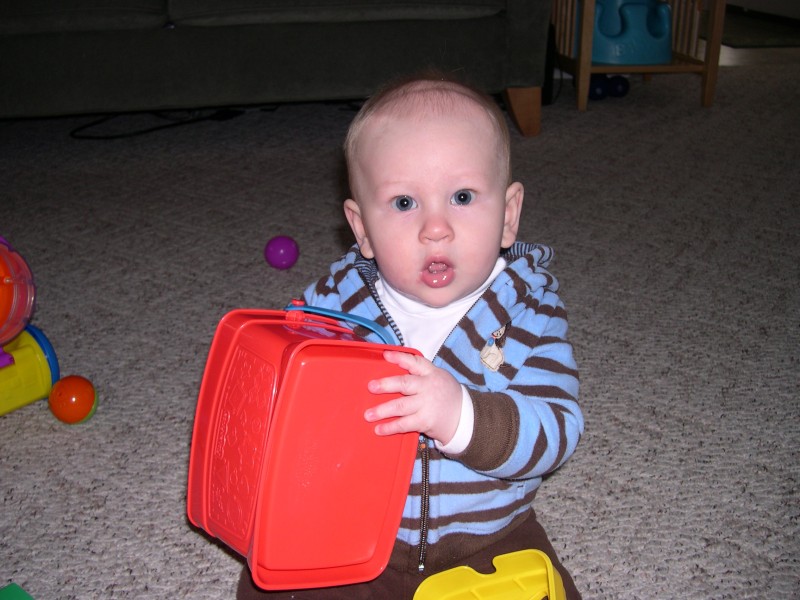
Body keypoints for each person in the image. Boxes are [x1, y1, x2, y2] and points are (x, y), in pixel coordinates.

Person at [238, 74, 584, 599]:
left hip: (488, 540)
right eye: (404, 204)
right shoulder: (333, 309)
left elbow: (557, 430)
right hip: (348, 533)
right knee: (271, 582)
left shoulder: (529, 313)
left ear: (509, 216)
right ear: (362, 230)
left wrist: (460, 416)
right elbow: (285, 398)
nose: (435, 228)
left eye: (462, 196)